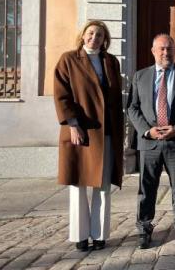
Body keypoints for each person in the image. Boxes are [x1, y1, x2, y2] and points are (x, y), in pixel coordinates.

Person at [54, 20, 124, 252]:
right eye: (91, 33)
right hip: (81, 132)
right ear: (83, 35)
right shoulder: (69, 59)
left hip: (106, 131)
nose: (95, 37)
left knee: (103, 185)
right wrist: (72, 124)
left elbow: (115, 98)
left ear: (106, 40)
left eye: (100, 35)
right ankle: (80, 235)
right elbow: (62, 95)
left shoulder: (111, 61)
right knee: (79, 183)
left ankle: (100, 234)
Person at [127, 34, 175, 249]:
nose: (165, 53)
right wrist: (146, 131)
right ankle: (144, 228)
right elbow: (132, 107)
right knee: (146, 187)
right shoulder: (140, 76)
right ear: (153, 51)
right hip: (149, 142)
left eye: (169, 49)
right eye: (161, 49)